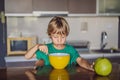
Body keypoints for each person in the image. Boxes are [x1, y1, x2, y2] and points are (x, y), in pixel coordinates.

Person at [25, 16, 94, 71]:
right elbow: (27, 56)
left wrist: (89, 66)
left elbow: (80, 60)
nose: (59, 40)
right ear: (50, 35)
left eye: (63, 37)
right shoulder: (46, 48)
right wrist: (37, 46)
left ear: (66, 35)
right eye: (55, 37)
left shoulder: (70, 50)